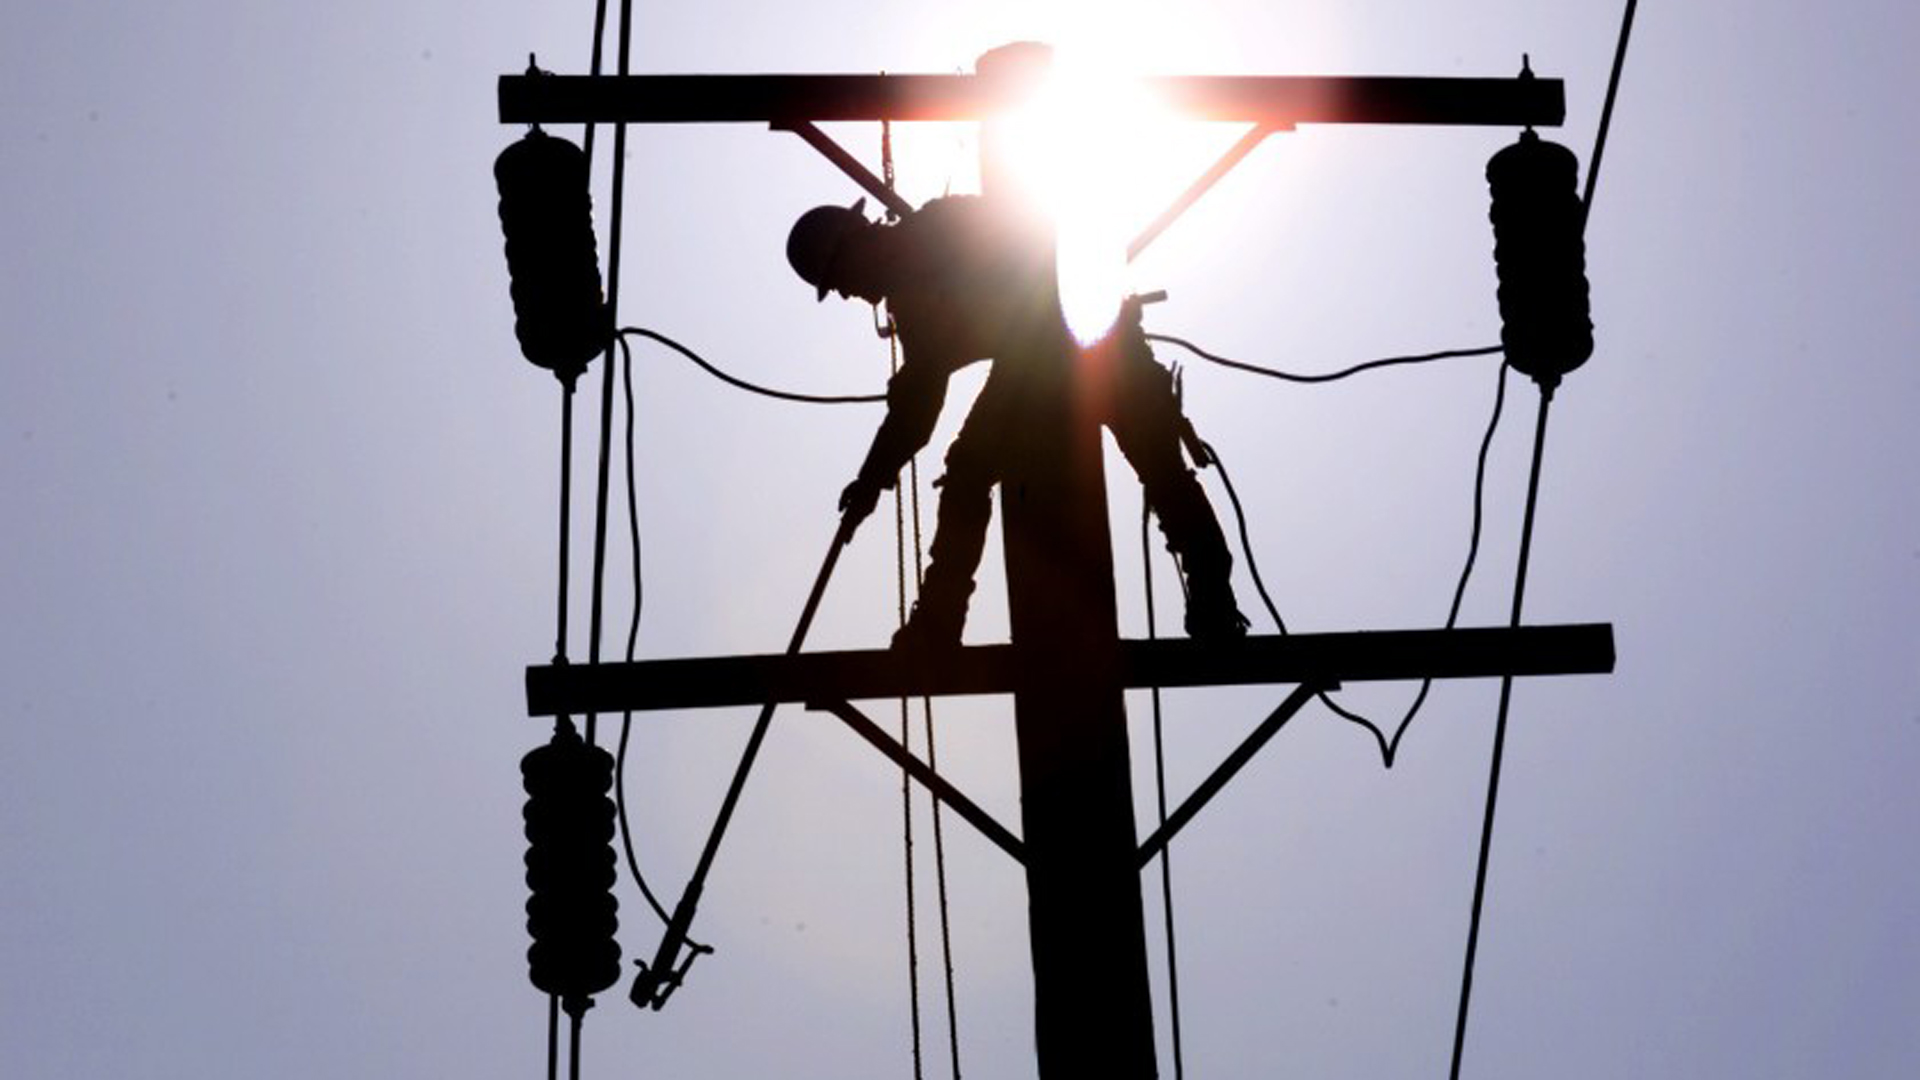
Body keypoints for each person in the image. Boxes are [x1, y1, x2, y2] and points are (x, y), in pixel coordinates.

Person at [787, 194, 1247, 649]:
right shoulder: (913, 300)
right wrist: (872, 479)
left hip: (1073, 342)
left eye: (841, 278)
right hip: (1074, 350)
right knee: (1157, 469)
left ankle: (939, 621)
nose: (848, 293)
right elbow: (915, 410)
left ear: (855, 243)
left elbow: (1045, 236)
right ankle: (1213, 598)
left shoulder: (940, 231)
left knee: (974, 469)